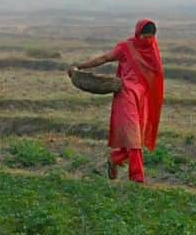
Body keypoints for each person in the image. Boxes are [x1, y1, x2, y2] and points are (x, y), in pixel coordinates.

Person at [68, 19, 164, 183]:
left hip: (143, 99)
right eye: (144, 37)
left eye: (150, 37)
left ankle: (115, 158)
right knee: (133, 139)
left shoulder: (152, 49)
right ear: (138, 34)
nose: (147, 41)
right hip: (126, 96)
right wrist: (80, 67)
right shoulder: (126, 48)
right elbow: (104, 58)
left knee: (136, 140)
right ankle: (137, 178)